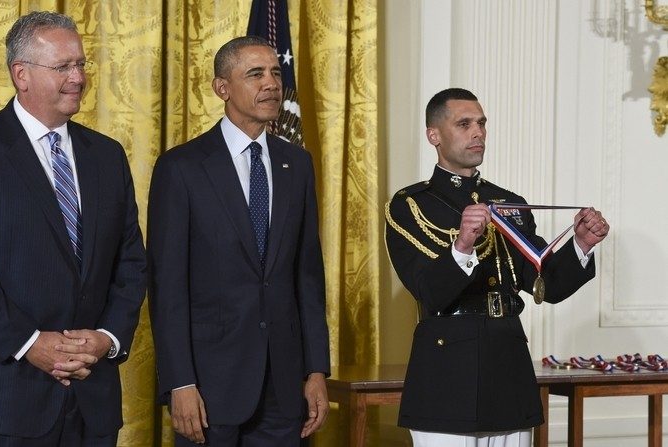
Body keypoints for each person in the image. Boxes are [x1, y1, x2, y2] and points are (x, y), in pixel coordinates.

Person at [0, 11, 146, 446]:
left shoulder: (107, 156)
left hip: (90, 402)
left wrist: (106, 338)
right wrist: (28, 343)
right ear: (20, 74)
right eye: (62, 67)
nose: (78, 77)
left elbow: (131, 261)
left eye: (81, 64)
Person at [385, 88, 609, 447]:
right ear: (434, 135)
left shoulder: (509, 203)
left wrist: (580, 244)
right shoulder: (410, 206)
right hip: (448, 371)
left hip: (507, 364)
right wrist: (462, 245)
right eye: (464, 124)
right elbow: (430, 292)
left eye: (482, 124)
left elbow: (544, 284)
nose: (479, 133)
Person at [147, 36, 330, 446]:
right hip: (209, 389)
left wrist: (316, 370)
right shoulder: (181, 168)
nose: (271, 84)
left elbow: (307, 276)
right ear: (222, 88)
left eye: (275, 73)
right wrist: (180, 383)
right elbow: (168, 288)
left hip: (284, 389)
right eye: (255, 74)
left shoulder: (296, 164)